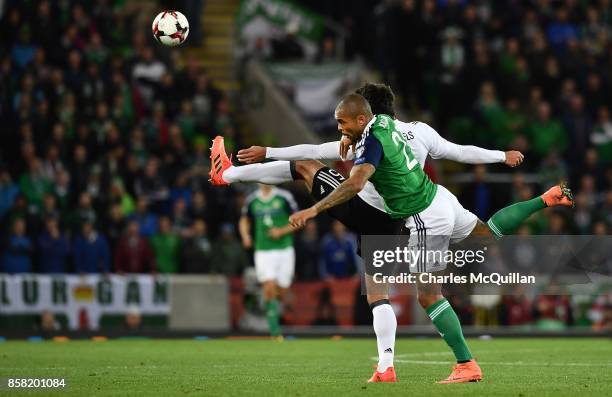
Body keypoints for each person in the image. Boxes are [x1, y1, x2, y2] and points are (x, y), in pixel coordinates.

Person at [210, 85, 574, 383]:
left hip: (405, 216)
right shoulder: (410, 131)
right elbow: (458, 152)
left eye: (344, 122)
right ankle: (545, 198)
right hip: (439, 199)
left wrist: (312, 208)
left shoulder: (370, 141)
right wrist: (500, 156)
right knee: (485, 234)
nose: (340, 129)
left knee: (428, 295)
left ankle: (464, 363)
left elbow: (340, 170)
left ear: (365, 114)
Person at [238, 184, 298, 339]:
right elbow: (244, 220)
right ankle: (275, 331)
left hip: (285, 249)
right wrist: (245, 236)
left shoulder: (284, 197)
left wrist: (281, 231)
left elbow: (298, 219)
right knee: (269, 286)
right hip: (263, 250)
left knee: (282, 290)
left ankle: (272, 312)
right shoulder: (252, 200)